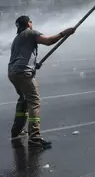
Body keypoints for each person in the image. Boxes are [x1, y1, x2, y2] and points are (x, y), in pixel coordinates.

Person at [8, 15, 75, 148]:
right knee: (34, 103)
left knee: (23, 100)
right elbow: (49, 41)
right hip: (24, 74)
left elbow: (23, 56)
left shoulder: (18, 38)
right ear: (28, 23)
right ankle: (35, 138)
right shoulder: (30, 33)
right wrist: (64, 33)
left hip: (13, 73)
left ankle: (16, 130)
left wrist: (34, 64)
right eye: (31, 21)